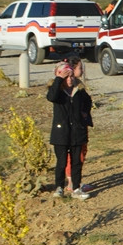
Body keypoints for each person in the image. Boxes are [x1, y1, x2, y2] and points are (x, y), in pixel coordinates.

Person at [47, 62, 93, 200]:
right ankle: (59, 187)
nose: (70, 79)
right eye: (66, 76)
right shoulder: (58, 92)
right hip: (61, 133)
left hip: (77, 132)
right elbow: (51, 97)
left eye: (71, 75)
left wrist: (84, 114)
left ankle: (76, 188)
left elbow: (88, 101)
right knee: (61, 162)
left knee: (76, 162)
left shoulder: (79, 91)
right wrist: (59, 79)